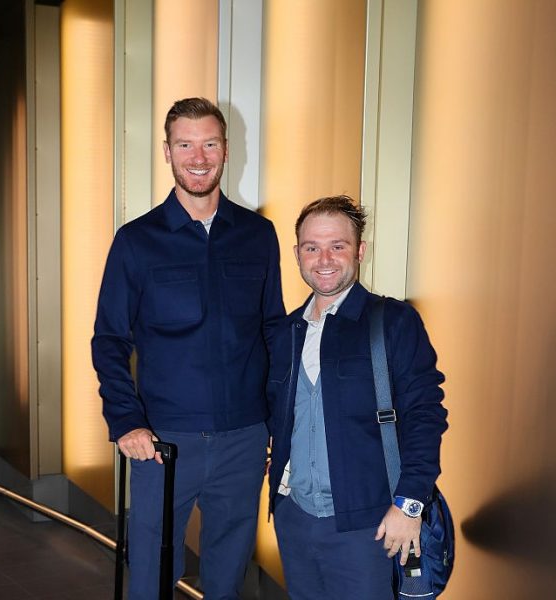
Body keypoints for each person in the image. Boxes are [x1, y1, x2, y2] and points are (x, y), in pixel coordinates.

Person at [92, 97, 285, 600]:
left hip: (244, 437)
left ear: (226, 149)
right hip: (161, 440)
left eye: (209, 144)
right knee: (153, 573)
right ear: (167, 151)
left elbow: (272, 333)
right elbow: (110, 340)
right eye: (185, 145)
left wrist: (277, 425)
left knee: (228, 572)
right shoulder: (136, 242)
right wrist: (126, 420)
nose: (198, 157)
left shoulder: (259, 235)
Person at [267, 195, 447, 599]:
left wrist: (410, 505)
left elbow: (425, 414)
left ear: (360, 250)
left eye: (338, 246)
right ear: (297, 254)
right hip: (295, 519)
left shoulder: (393, 322)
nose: (324, 258)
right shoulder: (286, 332)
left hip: (372, 524)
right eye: (312, 247)